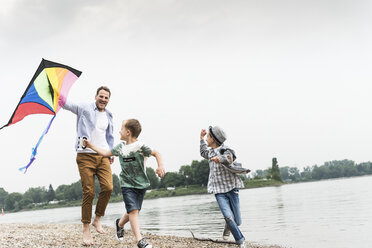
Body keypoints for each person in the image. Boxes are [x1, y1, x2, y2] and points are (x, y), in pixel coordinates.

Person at [84, 118, 165, 248]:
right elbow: (105, 153)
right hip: (127, 185)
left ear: (128, 132)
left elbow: (157, 153)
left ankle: (120, 224)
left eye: (121, 129)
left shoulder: (140, 147)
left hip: (141, 184)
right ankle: (139, 240)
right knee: (133, 211)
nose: (119, 131)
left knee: (134, 210)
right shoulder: (120, 147)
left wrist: (160, 166)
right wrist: (90, 146)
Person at [62, 86, 114, 246]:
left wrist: (110, 152)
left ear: (108, 99)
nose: (103, 100)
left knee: (108, 187)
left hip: (102, 155)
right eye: (101, 96)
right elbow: (65, 103)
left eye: (106, 97)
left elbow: (109, 135)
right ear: (96, 96)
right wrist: (57, 93)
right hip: (85, 156)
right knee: (89, 192)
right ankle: (86, 228)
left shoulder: (109, 115)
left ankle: (97, 219)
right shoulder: (84, 108)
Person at [200, 126, 247, 248]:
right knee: (228, 216)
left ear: (214, 139)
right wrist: (200, 138)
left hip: (232, 189)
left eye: (208, 136)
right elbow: (202, 152)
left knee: (237, 221)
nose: (207, 138)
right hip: (219, 191)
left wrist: (219, 159)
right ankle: (240, 241)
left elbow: (229, 158)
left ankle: (228, 225)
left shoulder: (226, 150)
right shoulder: (210, 152)